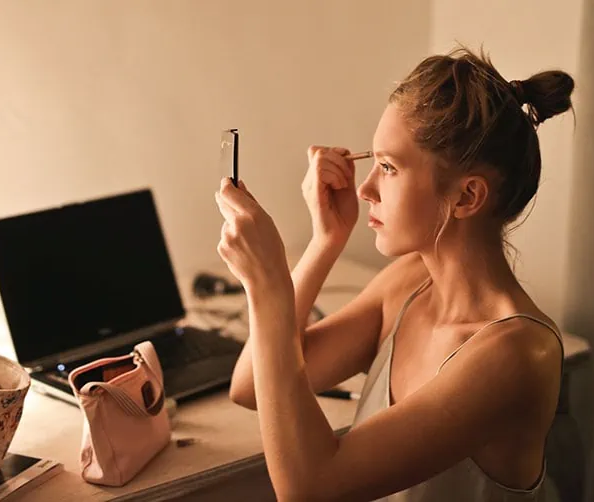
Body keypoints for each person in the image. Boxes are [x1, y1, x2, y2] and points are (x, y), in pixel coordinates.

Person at [214, 47, 574, 502]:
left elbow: (310, 488)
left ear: (466, 197)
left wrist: (270, 287)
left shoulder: (518, 353)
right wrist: (325, 241)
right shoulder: (407, 284)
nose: (364, 188)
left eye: (388, 167)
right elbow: (249, 386)